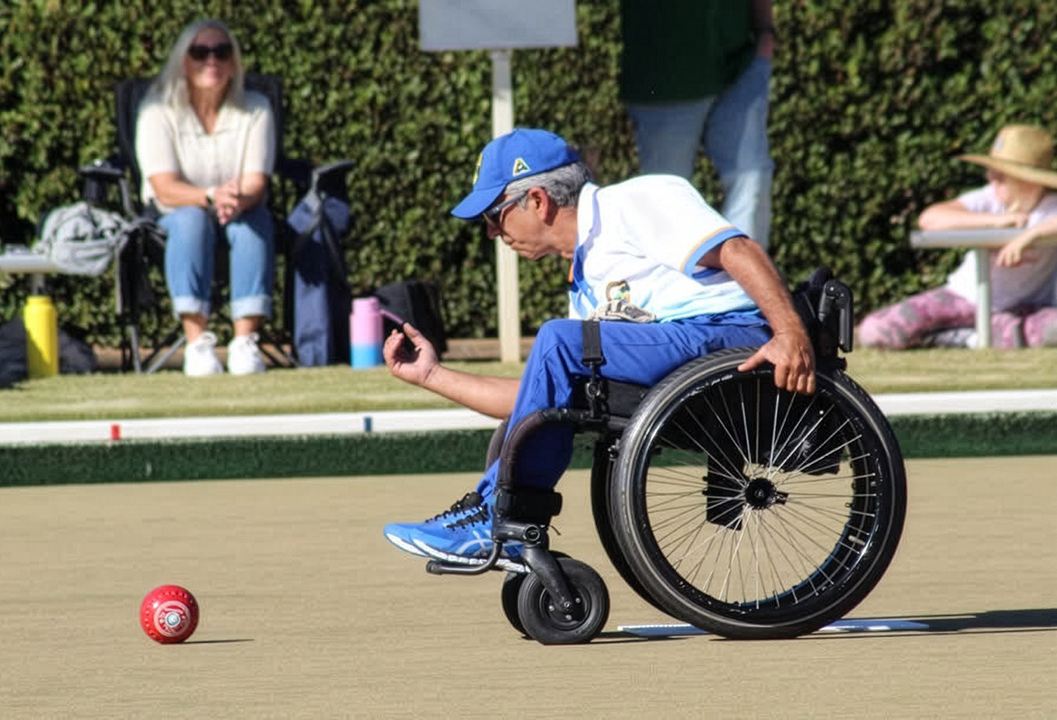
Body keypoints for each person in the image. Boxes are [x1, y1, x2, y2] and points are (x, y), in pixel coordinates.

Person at [382, 128, 815, 562]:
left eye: (494, 215)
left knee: (557, 338)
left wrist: (790, 335)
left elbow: (739, 250)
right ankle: (508, 524)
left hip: (731, 334)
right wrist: (432, 375)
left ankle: (498, 514)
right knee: (558, 356)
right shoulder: (586, 279)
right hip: (687, 349)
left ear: (537, 200)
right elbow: (539, 401)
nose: (493, 232)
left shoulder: (634, 200)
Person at [135, 19, 276, 375]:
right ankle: (197, 343)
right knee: (191, 219)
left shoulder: (256, 108)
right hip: (174, 213)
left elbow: (256, 182)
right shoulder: (156, 111)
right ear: (184, 60)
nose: (211, 60)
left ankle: (244, 342)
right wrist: (210, 196)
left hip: (238, 209)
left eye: (221, 52)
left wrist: (233, 200)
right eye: (200, 52)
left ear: (233, 62)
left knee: (253, 223)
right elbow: (165, 187)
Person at [858, 124, 1057, 349]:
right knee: (875, 331)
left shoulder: (1050, 207)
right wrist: (994, 222)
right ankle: (977, 337)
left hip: (1023, 307)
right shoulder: (987, 199)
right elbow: (930, 219)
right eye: (992, 170)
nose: (990, 178)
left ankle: (975, 336)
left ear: (1030, 181)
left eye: (1001, 175)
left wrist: (1032, 234)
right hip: (962, 298)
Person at [619, 0, 775, 248]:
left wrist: (765, 31)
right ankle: (671, 285)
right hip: (666, 74)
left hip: (740, 57)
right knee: (667, 196)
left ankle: (745, 285)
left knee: (752, 175)